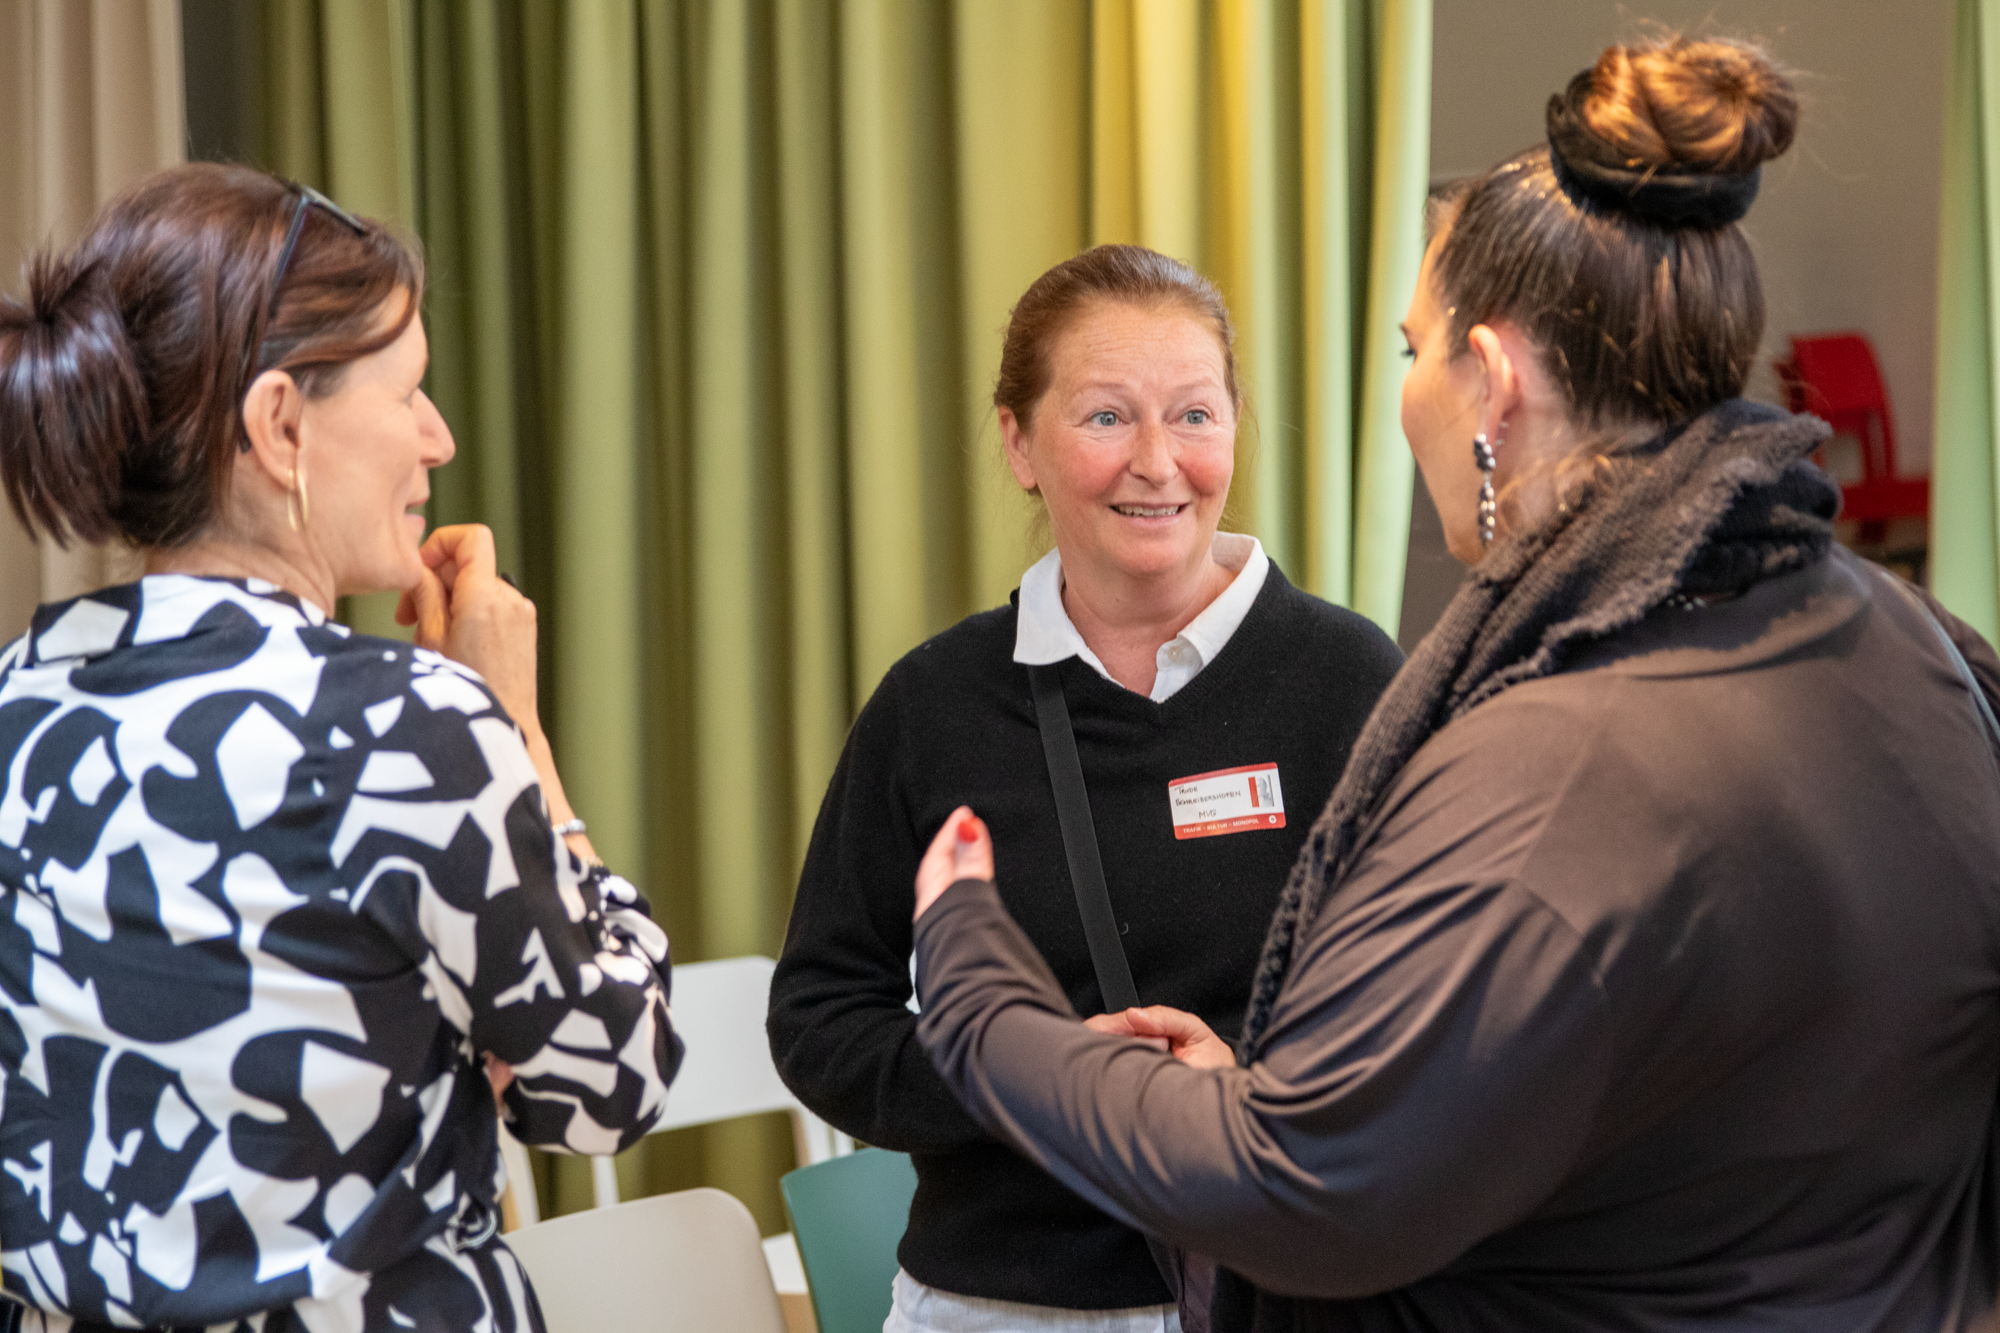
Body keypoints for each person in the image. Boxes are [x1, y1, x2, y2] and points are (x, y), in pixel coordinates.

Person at [904, 37, 2000, 1333]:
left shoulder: (1562, 761)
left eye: (1411, 348)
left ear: (1492, 381)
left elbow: (1298, 1190)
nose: (1406, 393)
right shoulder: (1921, 649)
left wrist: (973, 983)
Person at [0, 164, 681, 1331]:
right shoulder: (406, 728)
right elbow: (611, 1079)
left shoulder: (19, 699)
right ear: (279, 425)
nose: (438, 438)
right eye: (408, 391)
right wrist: (515, 725)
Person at [768, 245, 1402, 1331]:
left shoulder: (1347, 679)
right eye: (1106, 416)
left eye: (1194, 415)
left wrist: (1248, 1085)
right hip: (997, 1305)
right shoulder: (933, 705)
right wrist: (1018, 1076)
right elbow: (819, 1018)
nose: (1157, 462)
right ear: (1018, 442)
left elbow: (1435, 1007)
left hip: (1280, 1292)